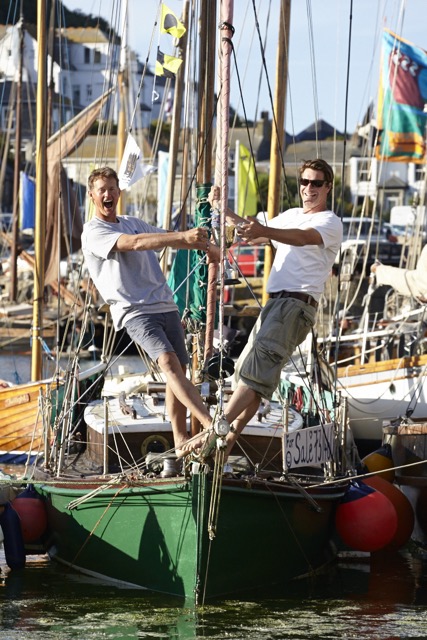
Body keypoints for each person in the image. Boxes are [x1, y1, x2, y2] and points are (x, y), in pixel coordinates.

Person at [81, 166, 218, 457]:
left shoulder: (133, 221)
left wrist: (207, 245)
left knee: (179, 371)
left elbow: (173, 237)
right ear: (92, 195)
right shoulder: (94, 232)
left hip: (166, 305)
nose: (108, 193)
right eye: (101, 189)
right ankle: (209, 423)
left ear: (119, 192)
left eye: (112, 188)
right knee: (167, 363)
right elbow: (134, 244)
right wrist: (183, 237)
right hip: (135, 311)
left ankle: (181, 441)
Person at [211, 159, 343, 455]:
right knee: (248, 374)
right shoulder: (292, 214)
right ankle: (226, 442)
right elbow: (252, 231)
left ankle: (215, 430)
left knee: (254, 374)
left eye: (317, 183)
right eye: (305, 182)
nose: (309, 188)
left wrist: (266, 231)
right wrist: (223, 209)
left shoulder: (329, 222)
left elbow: (302, 238)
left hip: (296, 304)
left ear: (328, 187)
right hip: (277, 303)